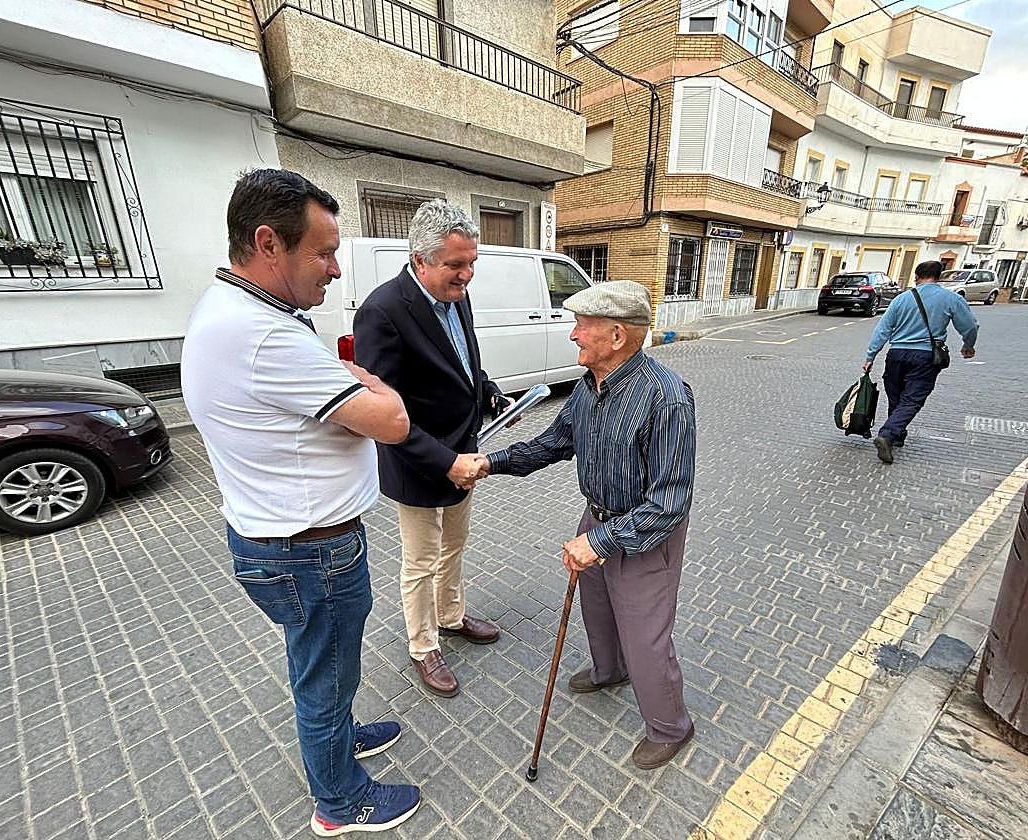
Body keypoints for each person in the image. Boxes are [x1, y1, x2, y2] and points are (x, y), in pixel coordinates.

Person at [181, 169, 421, 837]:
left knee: (321, 663)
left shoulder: (234, 311)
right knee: (324, 677)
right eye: (324, 252)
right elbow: (393, 422)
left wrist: (348, 384)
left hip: (283, 540)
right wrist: (372, 382)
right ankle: (340, 802)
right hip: (310, 552)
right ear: (268, 244)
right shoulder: (266, 337)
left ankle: (339, 736)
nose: (336, 270)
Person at [476, 280, 698, 771]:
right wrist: (491, 462)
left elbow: (669, 503)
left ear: (616, 336)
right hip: (596, 518)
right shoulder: (588, 387)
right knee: (596, 608)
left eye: (581, 326)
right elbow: (553, 443)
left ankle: (671, 726)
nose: (572, 334)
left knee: (645, 636)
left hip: (645, 532)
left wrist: (599, 542)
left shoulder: (666, 398)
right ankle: (609, 670)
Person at [353, 199, 509, 698]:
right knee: (421, 560)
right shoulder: (382, 312)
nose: (467, 275)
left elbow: (462, 360)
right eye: (455, 265)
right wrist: (445, 462)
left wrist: (486, 389)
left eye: (472, 263)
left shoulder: (456, 295)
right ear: (420, 259)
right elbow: (382, 411)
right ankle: (423, 646)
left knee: (455, 544)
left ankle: (451, 615)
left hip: (464, 449)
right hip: (419, 460)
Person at [863, 259, 979, 464]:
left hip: (896, 354)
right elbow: (970, 325)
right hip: (925, 357)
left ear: (916, 277)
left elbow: (882, 329)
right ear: (939, 277)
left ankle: (897, 435)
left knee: (896, 396)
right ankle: (888, 435)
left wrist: (870, 356)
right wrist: (968, 345)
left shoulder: (901, 299)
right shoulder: (951, 298)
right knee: (912, 399)